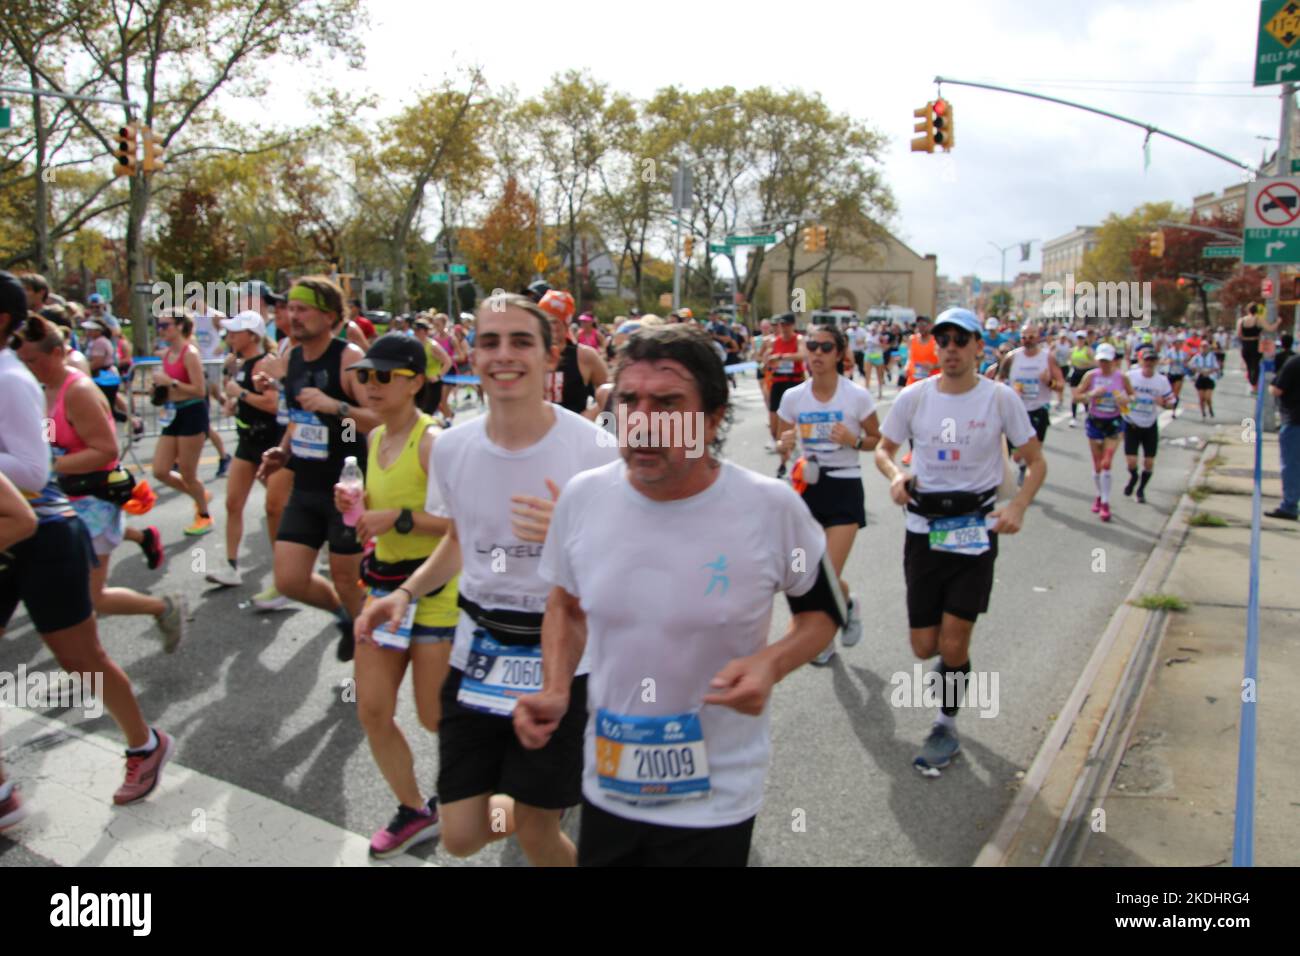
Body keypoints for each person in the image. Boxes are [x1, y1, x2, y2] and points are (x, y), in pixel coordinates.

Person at [511, 323, 841, 867]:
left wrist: (770, 665)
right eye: (628, 401)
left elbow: (822, 613)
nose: (641, 423)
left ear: (711, 420)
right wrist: (555, 689)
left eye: (667, 403)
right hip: (609, 781)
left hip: (716, 799)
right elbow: (566, 605)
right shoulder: (583, 498)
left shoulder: (770, 508)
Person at [356, 293, 618, 867]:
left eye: (522, 341)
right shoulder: (451, 448)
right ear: (470, 358)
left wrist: (571, 534)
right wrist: (402, 593)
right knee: (462, 835)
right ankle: (525, 797)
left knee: (536, 834)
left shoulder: (594, 451)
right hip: (476, 655)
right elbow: (458, 540)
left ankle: (537, 806)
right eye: (490, 342)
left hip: (561, 659)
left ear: (552, 358)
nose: (505, 355)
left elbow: (627, 567)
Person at [0, 271, 174, 806]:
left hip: (45, 531)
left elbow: (32, 471)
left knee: (84, 659)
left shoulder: (10, 378)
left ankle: (144, 745)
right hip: (25, 525)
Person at [875, 307, 1045, 775]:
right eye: (942, 339)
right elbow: (882, 449)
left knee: (953, 644)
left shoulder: (1000, 398)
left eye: (960, 339)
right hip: (922, 530)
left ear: (977, 348)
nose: (949, 347)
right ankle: (950, 673)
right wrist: (895, 475)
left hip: (974, 531)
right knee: (923, 647)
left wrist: (1016, 506)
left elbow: (1036, 460)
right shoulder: (914, 397)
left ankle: (945, 723)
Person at [332, 334, 459, 858]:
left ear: (415, 381)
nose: (371, 385)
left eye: (384, 375)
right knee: (373, 709)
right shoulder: (373, 437)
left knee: (433, 716)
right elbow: (374, 517)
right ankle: (414, 809)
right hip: (383, 586)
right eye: (365, 375)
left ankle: (521, 771)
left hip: (433, 589)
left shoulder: (435, 443)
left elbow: (459, 526)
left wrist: (397, 518)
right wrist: (356, 508)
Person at [18, 317, 184, 648]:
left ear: (55, 353)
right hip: (63, 499)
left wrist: (49, 463)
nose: (26, 367)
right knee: (71, 593)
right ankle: (85, 665)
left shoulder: (77, 390)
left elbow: (106, 450)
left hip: (92, 501)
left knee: (91, 598)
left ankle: (163, 608)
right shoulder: (42, 388)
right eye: (22, 361)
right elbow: (52, 439)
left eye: (32, 360)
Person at [256, 277, 376, 662]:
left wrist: (335, 406)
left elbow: (379, 418)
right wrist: (282, 451)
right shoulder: (291, 357)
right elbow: (297, 417)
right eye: (290, 309)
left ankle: (369, 658)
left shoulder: (348, 358)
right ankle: (344, 618)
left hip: (347, 490)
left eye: (302, 309)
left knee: (347, 579)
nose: (293, 316)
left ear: (328, 316)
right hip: (305, 485)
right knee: (289, 579)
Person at [775, 324, 879, 665]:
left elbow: (878, 441)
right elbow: (780, 441)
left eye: (824, 347)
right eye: (812, 346)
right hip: (806, 488)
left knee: (826, 574)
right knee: (808, 574)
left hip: (845, 486)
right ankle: (847, 605)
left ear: (839, 354)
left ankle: (823, 639)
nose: (816, 353)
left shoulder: (856, 397)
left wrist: (854, 441)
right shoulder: (793, 398)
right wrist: (784, 445)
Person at [205, 311, 283, 588]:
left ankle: (284, 575)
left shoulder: (266, 363)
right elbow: (239, 398)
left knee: (275, 509)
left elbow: (272, 404)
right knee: (232, 503)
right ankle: (231, 566)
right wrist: (233, 403)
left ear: (252, 335)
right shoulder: (239, 363)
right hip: (247, 442)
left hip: (271, 443)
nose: (230, 337)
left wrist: (240, 394)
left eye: (235, 332)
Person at [152, 307, 216, 537]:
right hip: (173, 413)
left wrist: (171, 382)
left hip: (192, 413)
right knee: (160, 470)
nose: (161, 330)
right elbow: (169, 387)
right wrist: (159, 389)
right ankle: (199, 496)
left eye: (165, 325)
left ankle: (204, 515)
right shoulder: (167, 354)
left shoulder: (190, 353)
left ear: (179, 326)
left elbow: (200, 390)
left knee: (189, 474)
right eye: (158, 326)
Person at [997, 321, 1063, 486]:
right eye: (1024, 337)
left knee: (1034, 452)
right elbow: (1000, 380)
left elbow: (1061, 384)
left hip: (1038, 410)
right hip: (1016, 410)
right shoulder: (1012, 357)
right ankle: (1021, 465)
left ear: (1038, 337)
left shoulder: (1047, 358)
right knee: (1017, 454)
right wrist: (1009, 390)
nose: (1027, 339)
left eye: (1031, 336)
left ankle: (1025, 473)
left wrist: (1049, 382)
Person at [1078, 343, 1134, 522]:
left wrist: (1125, 399)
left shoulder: (1121, 377)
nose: (1104, 365)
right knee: (1097, 465)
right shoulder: (1091, 376)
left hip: (1114, 422)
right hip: (1095, 421)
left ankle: (1105, 502)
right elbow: (1076, 395)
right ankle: (1099, 494)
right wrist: (1091, 395)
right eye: (1101, 361)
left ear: (1114, 361)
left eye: (1107, 361)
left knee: (1106, 462)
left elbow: (1132, 396)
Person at [539, 289, 609, 421]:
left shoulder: (584, 355)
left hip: (573, 437)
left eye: (554, 321)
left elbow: (609, 394)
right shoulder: (531, 353)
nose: (549, 327)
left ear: (566, 322)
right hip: (534, 434)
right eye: (544, 321)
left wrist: (585, 419)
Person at [1122, 345, 1176, 504]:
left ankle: (1140, 490)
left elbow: (1172, 402)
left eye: (1152, 360)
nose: (1149, 363)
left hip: (1150, 424)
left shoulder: (1161, 381)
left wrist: (1164, 404)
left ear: (1157, 362)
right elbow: (1118, 395)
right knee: (1131, 461)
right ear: (1140, 360)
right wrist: (1124, 404)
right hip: (1131, 422)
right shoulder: (1131, 376)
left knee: (1149, 462)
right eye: (1146, 360)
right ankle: (1133, 477)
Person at [760, 313, 808, 452]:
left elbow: (802, 355)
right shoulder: (775, 342)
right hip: (778, 379)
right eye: (781, 325)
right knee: (773, 411)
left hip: (795, 379)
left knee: (797, 413)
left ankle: (797, 439)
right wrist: (766, 363)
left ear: (793, 325)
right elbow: (767, 359)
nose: (784, 328)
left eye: (787, 324)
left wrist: (781, 357)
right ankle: (774, 438)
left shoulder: (798, 339)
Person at [1266, 346, 1300, 521]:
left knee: (1292, 466)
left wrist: (1271, 386)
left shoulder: (1293, 363)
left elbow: (1277, 390)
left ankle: (1290, 505)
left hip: (1294, 420)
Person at [1237, 302, 1279, 395]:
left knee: (1249, 366)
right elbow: (1270, 328)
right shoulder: (1258, 319)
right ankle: (1254, 386)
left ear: (1248, 310)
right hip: (1255, 344)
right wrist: (1278, 322)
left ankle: (1252, 385)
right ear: (1257, 310)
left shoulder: (1241, 320)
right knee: (1255, 366)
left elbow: (1239, 334)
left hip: (1245, 345)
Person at [1067, 331, 1096, 427]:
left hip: (1085, 374)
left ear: (1085, 340)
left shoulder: (1088, 350)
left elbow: (1095, 363)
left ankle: (1088, 414)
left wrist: (1085, 364)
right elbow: (1070, 362)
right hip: (1075, 373)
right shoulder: (1072, 350)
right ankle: (1073, 418)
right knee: (1075, 397)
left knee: (1084, 397)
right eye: (1078, 338)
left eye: (1082, 338)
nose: (1080, 340)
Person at [1189, 339, 1221, 419]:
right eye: (1202, 347)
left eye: (1205, 347)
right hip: (1200, 377)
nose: (1204, 348)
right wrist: (1199, 370)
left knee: (1208, 397)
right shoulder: (1197, 356)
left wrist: (1209, 371)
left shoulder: (1212, 356)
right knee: (1201, 398)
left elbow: (1216, 367)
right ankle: (1203, 412)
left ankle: (1210, 407)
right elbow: (1190, 365)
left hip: (1209, 378)